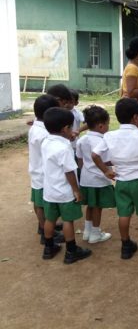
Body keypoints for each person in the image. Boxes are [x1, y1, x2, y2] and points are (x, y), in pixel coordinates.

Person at [92, 98, 138, 260]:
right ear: (135, 118)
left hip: (121, 181)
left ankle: (126, 246)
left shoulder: (109, 136)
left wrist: (106, 171)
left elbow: (95, 155)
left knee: (124, 214)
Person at [41, 107, 92, 264]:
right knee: (68, 221)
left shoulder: (46, 142)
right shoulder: (64, 148)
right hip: (65, 192)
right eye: (71, 127)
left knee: (50, 219)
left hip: (49, 191)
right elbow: (69, 172)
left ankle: (49, 248)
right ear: (65, 129)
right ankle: (71, 250)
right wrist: (76, 190)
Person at [28, 94, 64, 245]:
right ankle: (45, 231)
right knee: (44, 205)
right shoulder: (44, 134)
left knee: (39, 202)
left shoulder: (36, 127)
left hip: (37, 172)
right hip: (44, 174)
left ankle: (44, 227)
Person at [76, 106, 114, 244]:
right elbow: (107, 160)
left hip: (86, 178)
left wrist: (84, 172)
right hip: (99, 179)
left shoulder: (81, 140)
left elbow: (80, 160)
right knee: (98, 206)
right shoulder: (103, 141)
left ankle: (87, 231)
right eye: (108, 124)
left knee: (90, 206)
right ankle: (95, 233)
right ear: (101, 126)